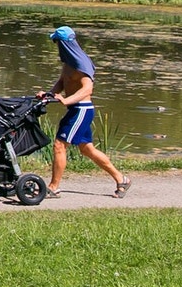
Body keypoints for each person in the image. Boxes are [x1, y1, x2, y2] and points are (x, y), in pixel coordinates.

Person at [41, 25, 130, 198]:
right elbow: (62, 82)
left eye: (57, 42)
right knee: (87, 149)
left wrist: (65, 100)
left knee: (59, 145)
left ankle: (53, 187)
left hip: (81, 110)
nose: (56, 46)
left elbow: (87, 89)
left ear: (64, 43)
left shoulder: (81, 63)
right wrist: (48, 95)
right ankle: (122, 180)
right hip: (76, 109)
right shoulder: (68, 63)